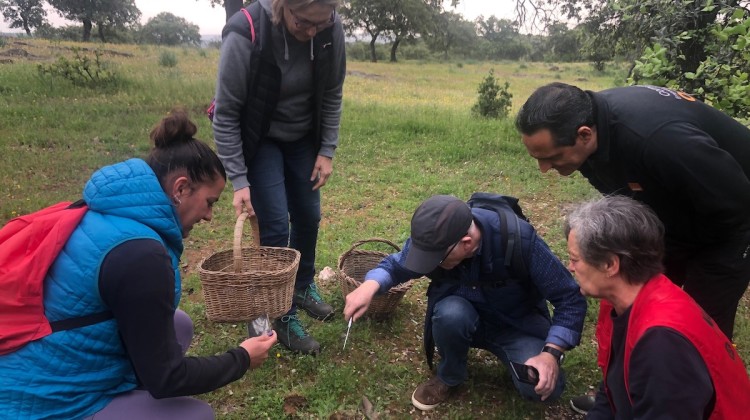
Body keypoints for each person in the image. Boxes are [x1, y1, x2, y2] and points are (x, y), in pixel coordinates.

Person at [0, 110, 277, 419]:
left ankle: (124, 391)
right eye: (209, 202)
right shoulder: (143, 256)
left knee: (180, 324)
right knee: (195, 416)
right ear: (181, 188)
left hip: (35, 356)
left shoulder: (112, 210)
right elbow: (167, 378)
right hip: (40, 399)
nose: (209, 216)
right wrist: (240, 358)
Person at [516, 83, 750, 414]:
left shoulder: (658, 139)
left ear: (584, 135)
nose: (544, 168)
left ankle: (693, 401)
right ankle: (621, 395)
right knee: (630, 300)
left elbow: (739, 203)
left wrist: (696, 262)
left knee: (691, 331)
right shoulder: (589, 134)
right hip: (675, 218)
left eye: (551, 157)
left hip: (730, 226)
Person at [344, 194, 587, 411]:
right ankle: (450, 375)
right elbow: (397, 265)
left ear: (467, 242)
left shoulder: (520, 241)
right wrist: (370, 286)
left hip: (517, 325)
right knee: (450, 313)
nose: (431, 264)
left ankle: (526, 358)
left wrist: (551, 353)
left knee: (542, 389)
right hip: (464, 317)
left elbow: (569, 298)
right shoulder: (436, 239)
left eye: (437, 259)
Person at [212, 0, 346, 355]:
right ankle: (278, 313)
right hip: (261, 138)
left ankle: (301, 285)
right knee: (274, 228)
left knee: (308, 215)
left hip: (302, 136)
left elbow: (332, 93)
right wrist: (239, 180)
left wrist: (326, 150)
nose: (312, 31)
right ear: (281, 6)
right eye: (303, 22)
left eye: (322, 22)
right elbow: (225, 114)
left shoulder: (331, 29)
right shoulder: (245, 33)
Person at [564, 195, 750, 418]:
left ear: (609, 265)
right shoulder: (628, 300)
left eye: (575, 259)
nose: (570, 267)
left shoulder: (661, 345)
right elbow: (612, 387)